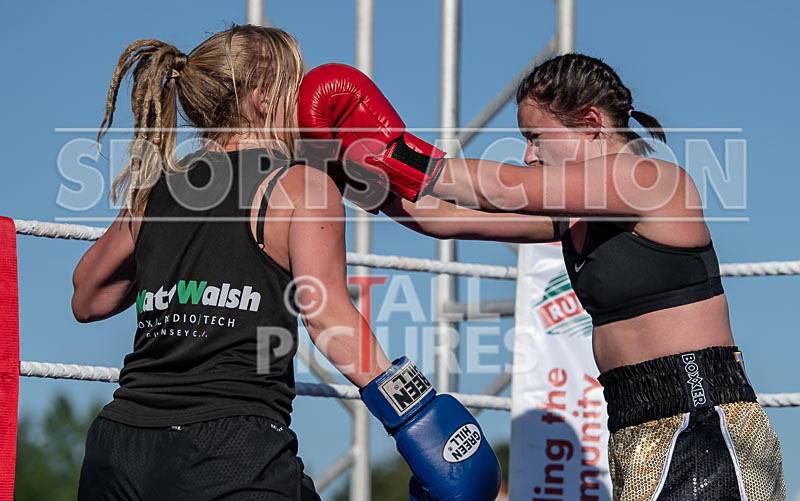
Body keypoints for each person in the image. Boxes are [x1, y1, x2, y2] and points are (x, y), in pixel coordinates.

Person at [297, 56, 785, 500]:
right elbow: (440, 219)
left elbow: (509, 188)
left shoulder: (651, 179)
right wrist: (347, 170)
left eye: (535, 138)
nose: (529, 155)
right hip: (634, 427)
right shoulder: (573, 218)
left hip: (699, 419)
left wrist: (397, 152)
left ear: (592, 124)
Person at [71, 24, 500, 501]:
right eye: (294, 87)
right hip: (229, 450)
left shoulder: (155, 190)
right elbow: (327, 316)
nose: (303, 105)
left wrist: (170, 250)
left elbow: (88, 297)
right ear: (261, 97)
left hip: (119, 447)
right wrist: (417, 414)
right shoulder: (300, 185)